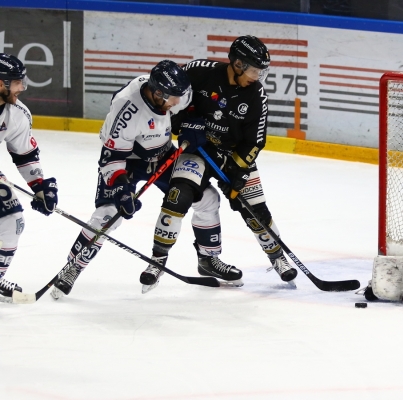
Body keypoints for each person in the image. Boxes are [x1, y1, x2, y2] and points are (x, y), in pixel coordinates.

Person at [50, 60, 242, 299]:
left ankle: (208, 259)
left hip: (162, 154)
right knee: (108, 216)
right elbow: (111, 159)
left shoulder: (171, 93)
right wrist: (121, 189)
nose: (177, 104)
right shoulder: (126, 109)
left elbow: (189, 108)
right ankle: (72, 267)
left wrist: (192, 124)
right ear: (158, 93)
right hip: (126, 162)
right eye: (173, 99)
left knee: (207, 198)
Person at [141, 35, 297, 290]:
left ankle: (278, 258)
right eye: (255, 70)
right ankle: (157, 261)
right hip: (196, 149)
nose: (258, 76)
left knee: (256, 211)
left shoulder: (257, 96)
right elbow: (170, 102)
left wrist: (238, 173)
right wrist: (182, 125)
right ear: (237, 64)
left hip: (232, 156)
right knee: (177, 196)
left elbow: (255, 142)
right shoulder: (198, 72)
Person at [0, 54, 59, 303]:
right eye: (16, 82)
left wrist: (40, 186)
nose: (21, 88)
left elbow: (24, 154)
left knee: (12, 218)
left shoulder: (17, 114)